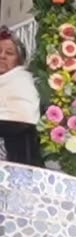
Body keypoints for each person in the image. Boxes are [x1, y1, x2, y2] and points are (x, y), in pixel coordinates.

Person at [0, 26, 42, 167]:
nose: (2, 56)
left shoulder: (21, 80)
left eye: (9, 53)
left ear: (19, 60)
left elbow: (22, 119)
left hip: (18, 162)